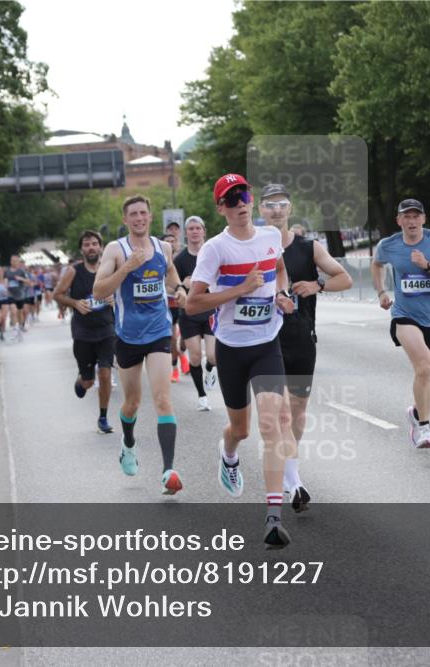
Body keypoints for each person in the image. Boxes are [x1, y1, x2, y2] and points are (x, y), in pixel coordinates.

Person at [185, 173, 297, 548]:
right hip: (232, 348)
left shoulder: (270, 236)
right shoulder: (215, 249)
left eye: (244, 196)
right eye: (231, 200)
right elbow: (193, 304)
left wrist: (281, 294)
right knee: (241, 430)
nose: (240, 205)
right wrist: (240, 289)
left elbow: (279, 269)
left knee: (271, 423)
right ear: (221, 209)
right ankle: (228, 453)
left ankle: (273, 517)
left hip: (267, 343)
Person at [258, 183, 353, 511]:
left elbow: (344, 278)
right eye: (270, 205)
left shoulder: (308, 247)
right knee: (282, 414)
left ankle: (289, 467)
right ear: (261, 210)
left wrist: (317, 285)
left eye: (281, 204)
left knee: (297, 413)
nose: (276, 210)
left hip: (301, 339)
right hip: (266, 342)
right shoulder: (253, 247)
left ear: (290, 209)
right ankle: (295, 482)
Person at [93, 195, 184, 496]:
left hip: (159, 332)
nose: (139, 218)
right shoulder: (115, 249)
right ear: (126, 219)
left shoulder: (163, 247)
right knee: (132, 403)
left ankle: (168, 471)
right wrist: (126, 269)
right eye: (133, 214)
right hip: (128, 336)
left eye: (143, 213)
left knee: (163, 400)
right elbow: (99, 290)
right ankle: (128, 443)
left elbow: (170, 271)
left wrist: (179, 288)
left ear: (150, 216)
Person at [371, 198, 430, 448]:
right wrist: (381, 291)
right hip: (404, 315)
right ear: (398, 220)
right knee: (424, 368)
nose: (411, 221)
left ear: (423, 219)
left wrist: (427, 265)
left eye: (415, 216)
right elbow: (376, 264)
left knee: (427, 372)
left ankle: (417, 413)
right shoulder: (389, 245)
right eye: (406, 217)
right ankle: (424, 429)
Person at [54, 230, 117, 435]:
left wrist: (114, 298)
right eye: (87, 244)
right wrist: (74, 303)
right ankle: (83, 379)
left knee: (105, 372)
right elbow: (57, 294)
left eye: (94, 244)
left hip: (106, 328)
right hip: (83, 332)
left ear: (101, 247)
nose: (91, 248)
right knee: (89, 382)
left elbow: (122, 290)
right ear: (82, 249)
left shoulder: (109, 269)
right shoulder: (74, 271)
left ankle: (103, 417)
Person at [173, 216, 219, 411]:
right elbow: (173, 285)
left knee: (213, 356)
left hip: (210, 310)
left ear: (203, 231)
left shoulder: (212, 254)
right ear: (186, 233)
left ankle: (209, 368)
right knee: (194, 356)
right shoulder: (180, 259)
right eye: (191, 228)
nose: (194, 231)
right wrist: (182, 285)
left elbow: (221, 279)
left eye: (198, 228)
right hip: (189, 313)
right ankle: (202, 396)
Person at [162, 232, 190, 383]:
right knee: (172, 339)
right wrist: (174, 287)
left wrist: (183, 286)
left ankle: (183, 354)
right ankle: (174, 368)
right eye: (167, 241)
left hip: (183, 303)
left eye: (173, 241)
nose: (170, 244)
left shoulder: (181, 260)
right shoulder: (158, 261)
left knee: (185, 339)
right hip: (168, 306)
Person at [5, 255, 31, 332]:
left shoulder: (21, 271)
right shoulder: (7, 272)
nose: (14, 262)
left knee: (19, 312)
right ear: (10, 262)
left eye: (15, 261)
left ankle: (21, 325)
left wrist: (21, 279)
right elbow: (4, 281)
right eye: (12, 261)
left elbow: (28, 281)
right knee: (13, 311)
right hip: (10, 294)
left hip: (19, 295)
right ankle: (15, 328)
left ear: (18, 262)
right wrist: (5, 287)